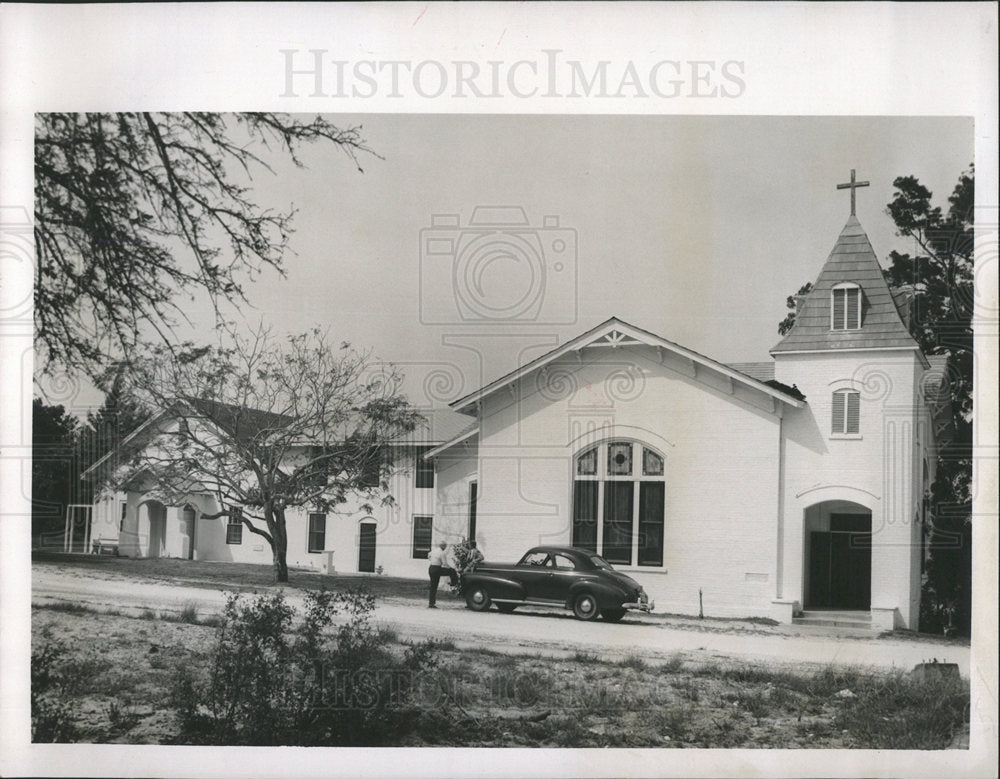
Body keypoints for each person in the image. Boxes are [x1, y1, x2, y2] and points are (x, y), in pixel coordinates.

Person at [427, 541, 458, 608]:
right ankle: (453, 584)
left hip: (431, 568)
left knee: (433, 586)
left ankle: (431, 603)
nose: (445, 548)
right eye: (445, 547)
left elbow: (428, 555)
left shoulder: (434, 550)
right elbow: (445, 563)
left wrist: (433, 560)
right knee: (452, 571)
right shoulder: (442, 553)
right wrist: (450, 568)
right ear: (443, 546)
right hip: (437, 569)